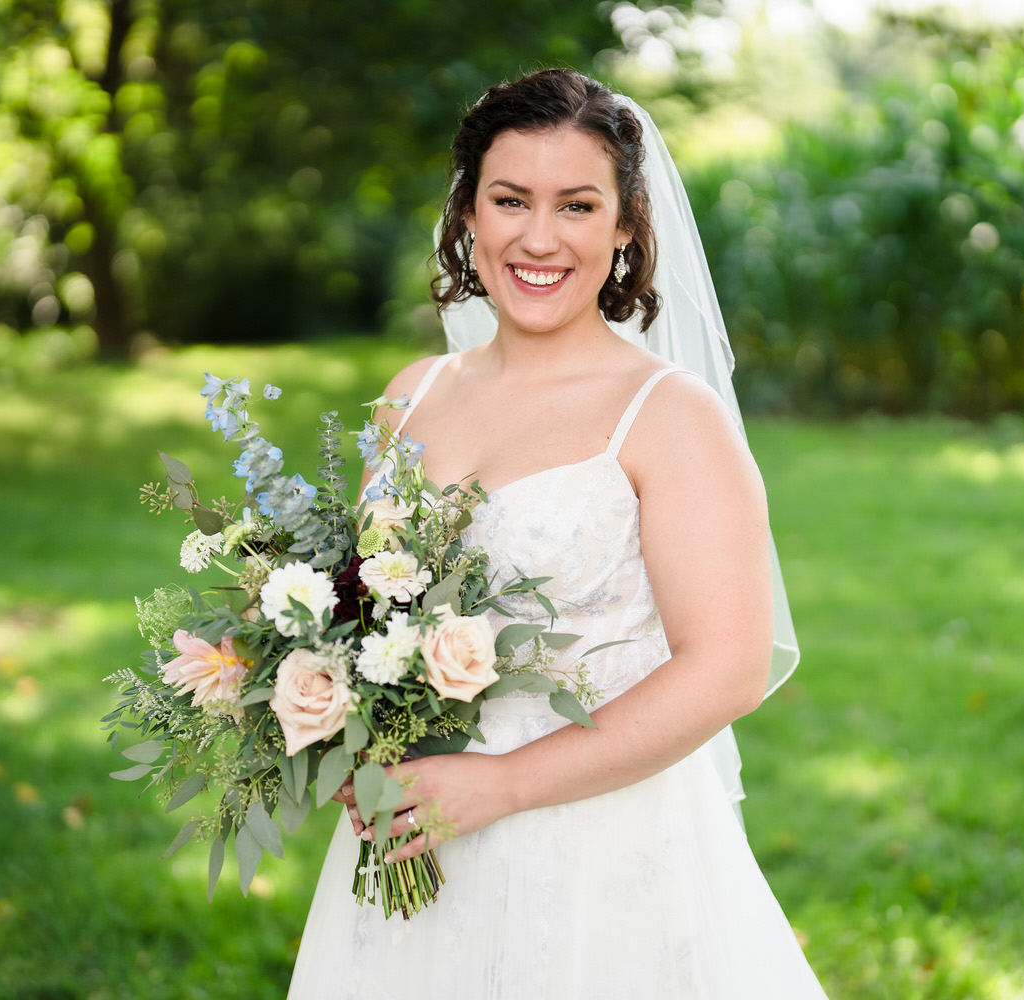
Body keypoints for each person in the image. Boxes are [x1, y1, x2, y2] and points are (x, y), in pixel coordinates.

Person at [287, 68, 827, 998]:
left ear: (624, 229)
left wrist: (503, 785)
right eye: (510, 200)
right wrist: (319, 702)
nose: (540, 238)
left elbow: (727, 667)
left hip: (603, 853)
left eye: (577, 205)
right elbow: (360, 606)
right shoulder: (413, 393)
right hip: (411, 834)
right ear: (466, 214)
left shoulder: (670, 417)